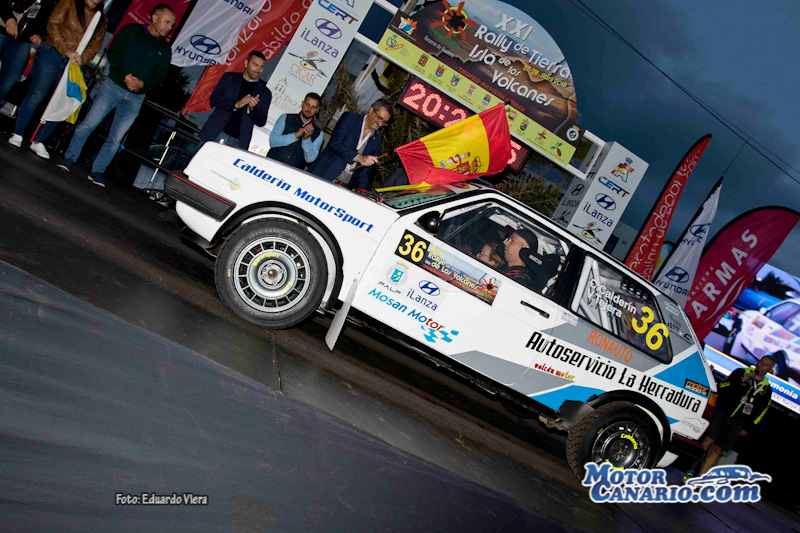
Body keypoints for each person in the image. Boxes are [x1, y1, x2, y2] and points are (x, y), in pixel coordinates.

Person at [56, 4, 174, 187]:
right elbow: (114, 52)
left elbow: (160, 76)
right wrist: (125, 74)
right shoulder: (131, 30)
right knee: (89, 124)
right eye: (167, 22)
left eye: (172, 24)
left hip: (136, 97)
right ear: (155, 18)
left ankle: (98, 171)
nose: (169, 27)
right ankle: (69, 158)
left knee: (116, 138)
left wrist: (143, 84)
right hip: (113, 87)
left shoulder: (165, 49)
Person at [7, 0, 106, 158]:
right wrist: (66, 50)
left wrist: (82, 58)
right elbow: (53, 24)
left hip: (73, 62)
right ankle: (18, 133)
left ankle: (39, 141)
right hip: (51, 52)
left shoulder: (101, 19)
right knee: (37, 94)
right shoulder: (70, 2)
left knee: (63, 102)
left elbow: (95, 45)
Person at [683, 354, 776, 483]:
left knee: (717, 449)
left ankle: (700, 478)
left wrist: (748, 428)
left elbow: (761, 412)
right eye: (761, 362)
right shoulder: (741, 372)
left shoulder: (766, 389)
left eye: (766, 365)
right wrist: (742, 381)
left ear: (770, 370)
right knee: (708, 441)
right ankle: (690, 471)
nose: (761, 365)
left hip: (737, 422)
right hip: (721, 413)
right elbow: (722, 387)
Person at [308, 98, 391, 190]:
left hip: (343, 188)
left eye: (384, 122)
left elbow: (365, 172)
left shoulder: (377, 141)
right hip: (323, 176)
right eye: (379, 118)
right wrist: (359, 158)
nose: (380, 124)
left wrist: (361, 191)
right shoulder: (350, 118)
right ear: (371, 110)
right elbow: (335, 143)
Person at [198, 51, 271, 150]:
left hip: (237, 143)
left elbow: (261, 121)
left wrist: (252, 109)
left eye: (261, 67)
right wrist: (236, 104)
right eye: (255, 65)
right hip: (214, 133)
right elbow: (214, 99)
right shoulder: (229, 78)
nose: (258, 69)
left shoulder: (264, 92)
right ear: (246, 63)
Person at [0, 0, 57, 104]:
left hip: (23, 40)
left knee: (8, 80)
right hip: (2, 29)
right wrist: (8, 18)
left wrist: (40, 34)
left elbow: (48, 17)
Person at [266, 92, 322, 169]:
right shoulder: (285, 118)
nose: (309, 109)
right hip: (269, 165)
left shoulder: (319, 133)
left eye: (313, 107)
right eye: (307, 104)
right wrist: (294, 136)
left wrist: (307, 139)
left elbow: (310, 159)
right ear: (302, 104)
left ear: (317, 110)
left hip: (292, 172)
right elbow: (273, 141)